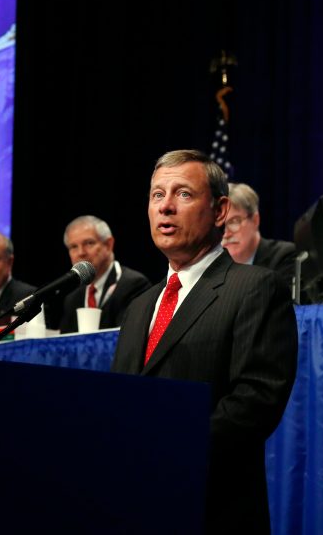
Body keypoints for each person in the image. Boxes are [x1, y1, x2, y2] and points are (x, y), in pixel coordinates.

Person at [111, 150, 297, 534]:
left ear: (219, 211)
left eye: (182, 194)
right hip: (136, 506)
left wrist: (169, 454)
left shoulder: (255, 288)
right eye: (156, 195)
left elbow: (255, 400)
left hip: (213, 510)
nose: (165, 208)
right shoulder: (138, 306)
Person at [59, 215, 151, 333]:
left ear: (108, 244)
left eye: (89, 243)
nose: (81, 252)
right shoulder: (72, 299)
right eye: (73, 247)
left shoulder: (134, 285)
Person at [222, 182, 297, 286]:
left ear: (255, 220)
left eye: (234, 221)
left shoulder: (284, 257)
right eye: (220, 225)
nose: (225, 234)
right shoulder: (214, 268)